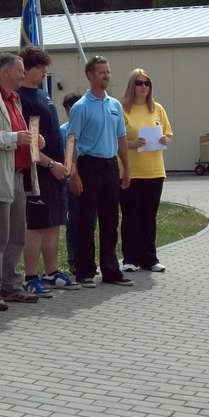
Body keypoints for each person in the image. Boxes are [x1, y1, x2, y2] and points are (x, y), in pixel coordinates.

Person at [0, 53, 39, 308]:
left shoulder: (14, 99)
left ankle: (11, 285)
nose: (24, 75)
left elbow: (17, 133)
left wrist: (32, 139)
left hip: (18, 175)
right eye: (20, 71)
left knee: (17, 235)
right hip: (0, 176)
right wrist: (15, 138)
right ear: (5, 72)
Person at [67, 56, 134, 287]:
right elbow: (72, 141)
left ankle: (111, 270)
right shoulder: (80, 107)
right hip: (89, 165)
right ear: (90, 75)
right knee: (86, 220)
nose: (106, 75)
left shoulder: (115, 105)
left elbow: (121, 138)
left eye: (108, 71)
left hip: (110, 165)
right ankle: (85, 270)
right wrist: (73, 174)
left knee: (110, 219)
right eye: (101, 72)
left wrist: (126, 169)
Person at [18, 46, 78, 293]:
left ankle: (52, 272)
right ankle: (31, 276)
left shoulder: (43, 95)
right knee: (36, 225)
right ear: (27, 69)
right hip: (38, 173)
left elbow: (55, 134)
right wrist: (50, 164)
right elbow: (31, 142)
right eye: (40, 67)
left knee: (54, 223)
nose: (44, 72)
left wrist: (65, 162)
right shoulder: (23, 99)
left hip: (56, 172)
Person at [119, 68, 173, 274]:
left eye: (147, 83)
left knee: (149, 217)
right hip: (131, 172)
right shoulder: (122, 109)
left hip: (154, 171)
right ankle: (130, 258)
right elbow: (116, 139)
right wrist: (132, 144)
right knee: (131, 216)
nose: (143, 87)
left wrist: (164, 139)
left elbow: (168, 134)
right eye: (139, 83)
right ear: (131, 86)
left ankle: (149, 258)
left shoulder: (157, 108)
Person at [60, 92, 82, 282]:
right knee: (72, 222)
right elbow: (67, 157)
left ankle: (86, 259)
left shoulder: (86, 127)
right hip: (70, 179)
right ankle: (73, 260)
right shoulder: (64, 130)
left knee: (89, 221)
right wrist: (71, 177)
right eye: (69, 110)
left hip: (89, 177)